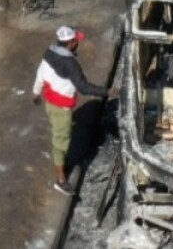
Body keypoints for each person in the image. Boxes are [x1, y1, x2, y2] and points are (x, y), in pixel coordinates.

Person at [32, 26, 114, 195]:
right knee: (61, 142)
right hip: (62, 108)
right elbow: (83, 87)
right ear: (71, 42)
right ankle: (61, 180)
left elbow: (40, 75)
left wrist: (36, 92)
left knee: (58, 130)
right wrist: (107, 92)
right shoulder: (70, 64)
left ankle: (58, 152)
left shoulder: (49, 54)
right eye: (76, 40)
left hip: (50, 102)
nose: (78, 42)